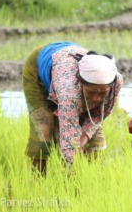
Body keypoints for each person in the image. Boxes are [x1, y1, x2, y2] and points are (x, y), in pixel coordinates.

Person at [23, 42, 123, 174]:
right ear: (80, 83)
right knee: (44, 128)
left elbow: (99, 115)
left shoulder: (116, 81)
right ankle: (38, 180)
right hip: (39, 66)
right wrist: (71, 173)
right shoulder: (69, 92)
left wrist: (85, 136)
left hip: (66, 60)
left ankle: (92, 177)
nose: (97, 99)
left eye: (102, 93)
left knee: (95, 141)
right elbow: (69, 141)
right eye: (91, 93)